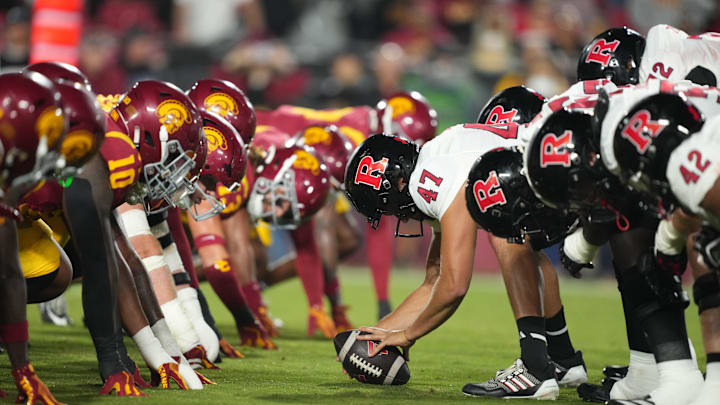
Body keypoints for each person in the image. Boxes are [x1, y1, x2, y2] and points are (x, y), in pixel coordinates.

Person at [343, 124, 578, 399]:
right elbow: (435, 279)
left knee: (506, 231)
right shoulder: (434, 164)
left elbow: (454, 285)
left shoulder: (428, 182)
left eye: (389, 206)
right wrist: (373, 337)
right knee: (516, 234)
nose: (400, 217)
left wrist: (408, 335)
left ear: (399, 183)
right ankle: (564, 359)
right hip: (558, 167)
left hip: (563, 170)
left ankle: (536, 368)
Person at [256, 90, 437, 319]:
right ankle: (247, 295)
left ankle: (259, 286)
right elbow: (323, 225)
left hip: (291, 144)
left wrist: (382, 300)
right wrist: (330, 306)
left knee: (348, 240)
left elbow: (376, 224)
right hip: (264, 139)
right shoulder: (356, 144)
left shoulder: (367, 136)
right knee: (256, 243)